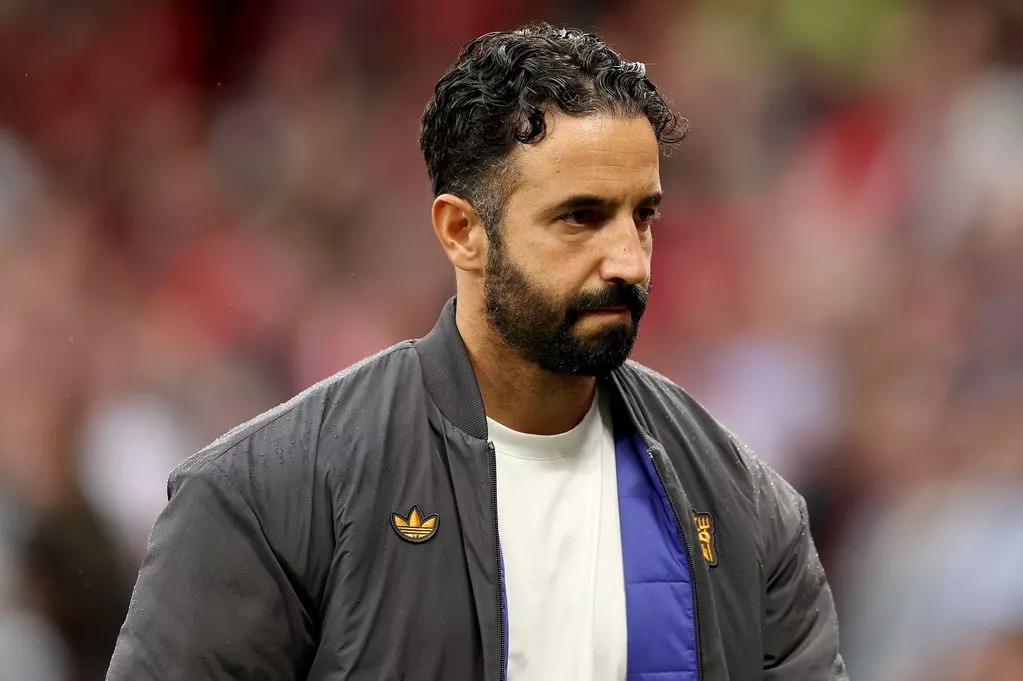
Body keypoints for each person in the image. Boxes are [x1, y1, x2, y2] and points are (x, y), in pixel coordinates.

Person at [107, 23, 847, 681]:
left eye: (641, 216)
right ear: (462, 232)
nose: (628, 259)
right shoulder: (266, 497)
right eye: (580, 218)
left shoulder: (746, 506)